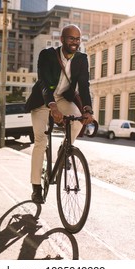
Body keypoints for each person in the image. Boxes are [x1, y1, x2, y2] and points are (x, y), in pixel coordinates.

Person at [25, 24, 94, 204]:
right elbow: (44, 82)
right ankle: (36, 188)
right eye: (71, 38)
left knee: (78, 121)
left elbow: (84, 85)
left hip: (63, 99)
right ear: (62, 39)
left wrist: (88, 109)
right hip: (42, 101)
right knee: (41, 142)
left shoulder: (81, 59)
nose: (75, 42)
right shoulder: (47, 55)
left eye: (78, 39)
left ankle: (64, 151)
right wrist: (52, 106)